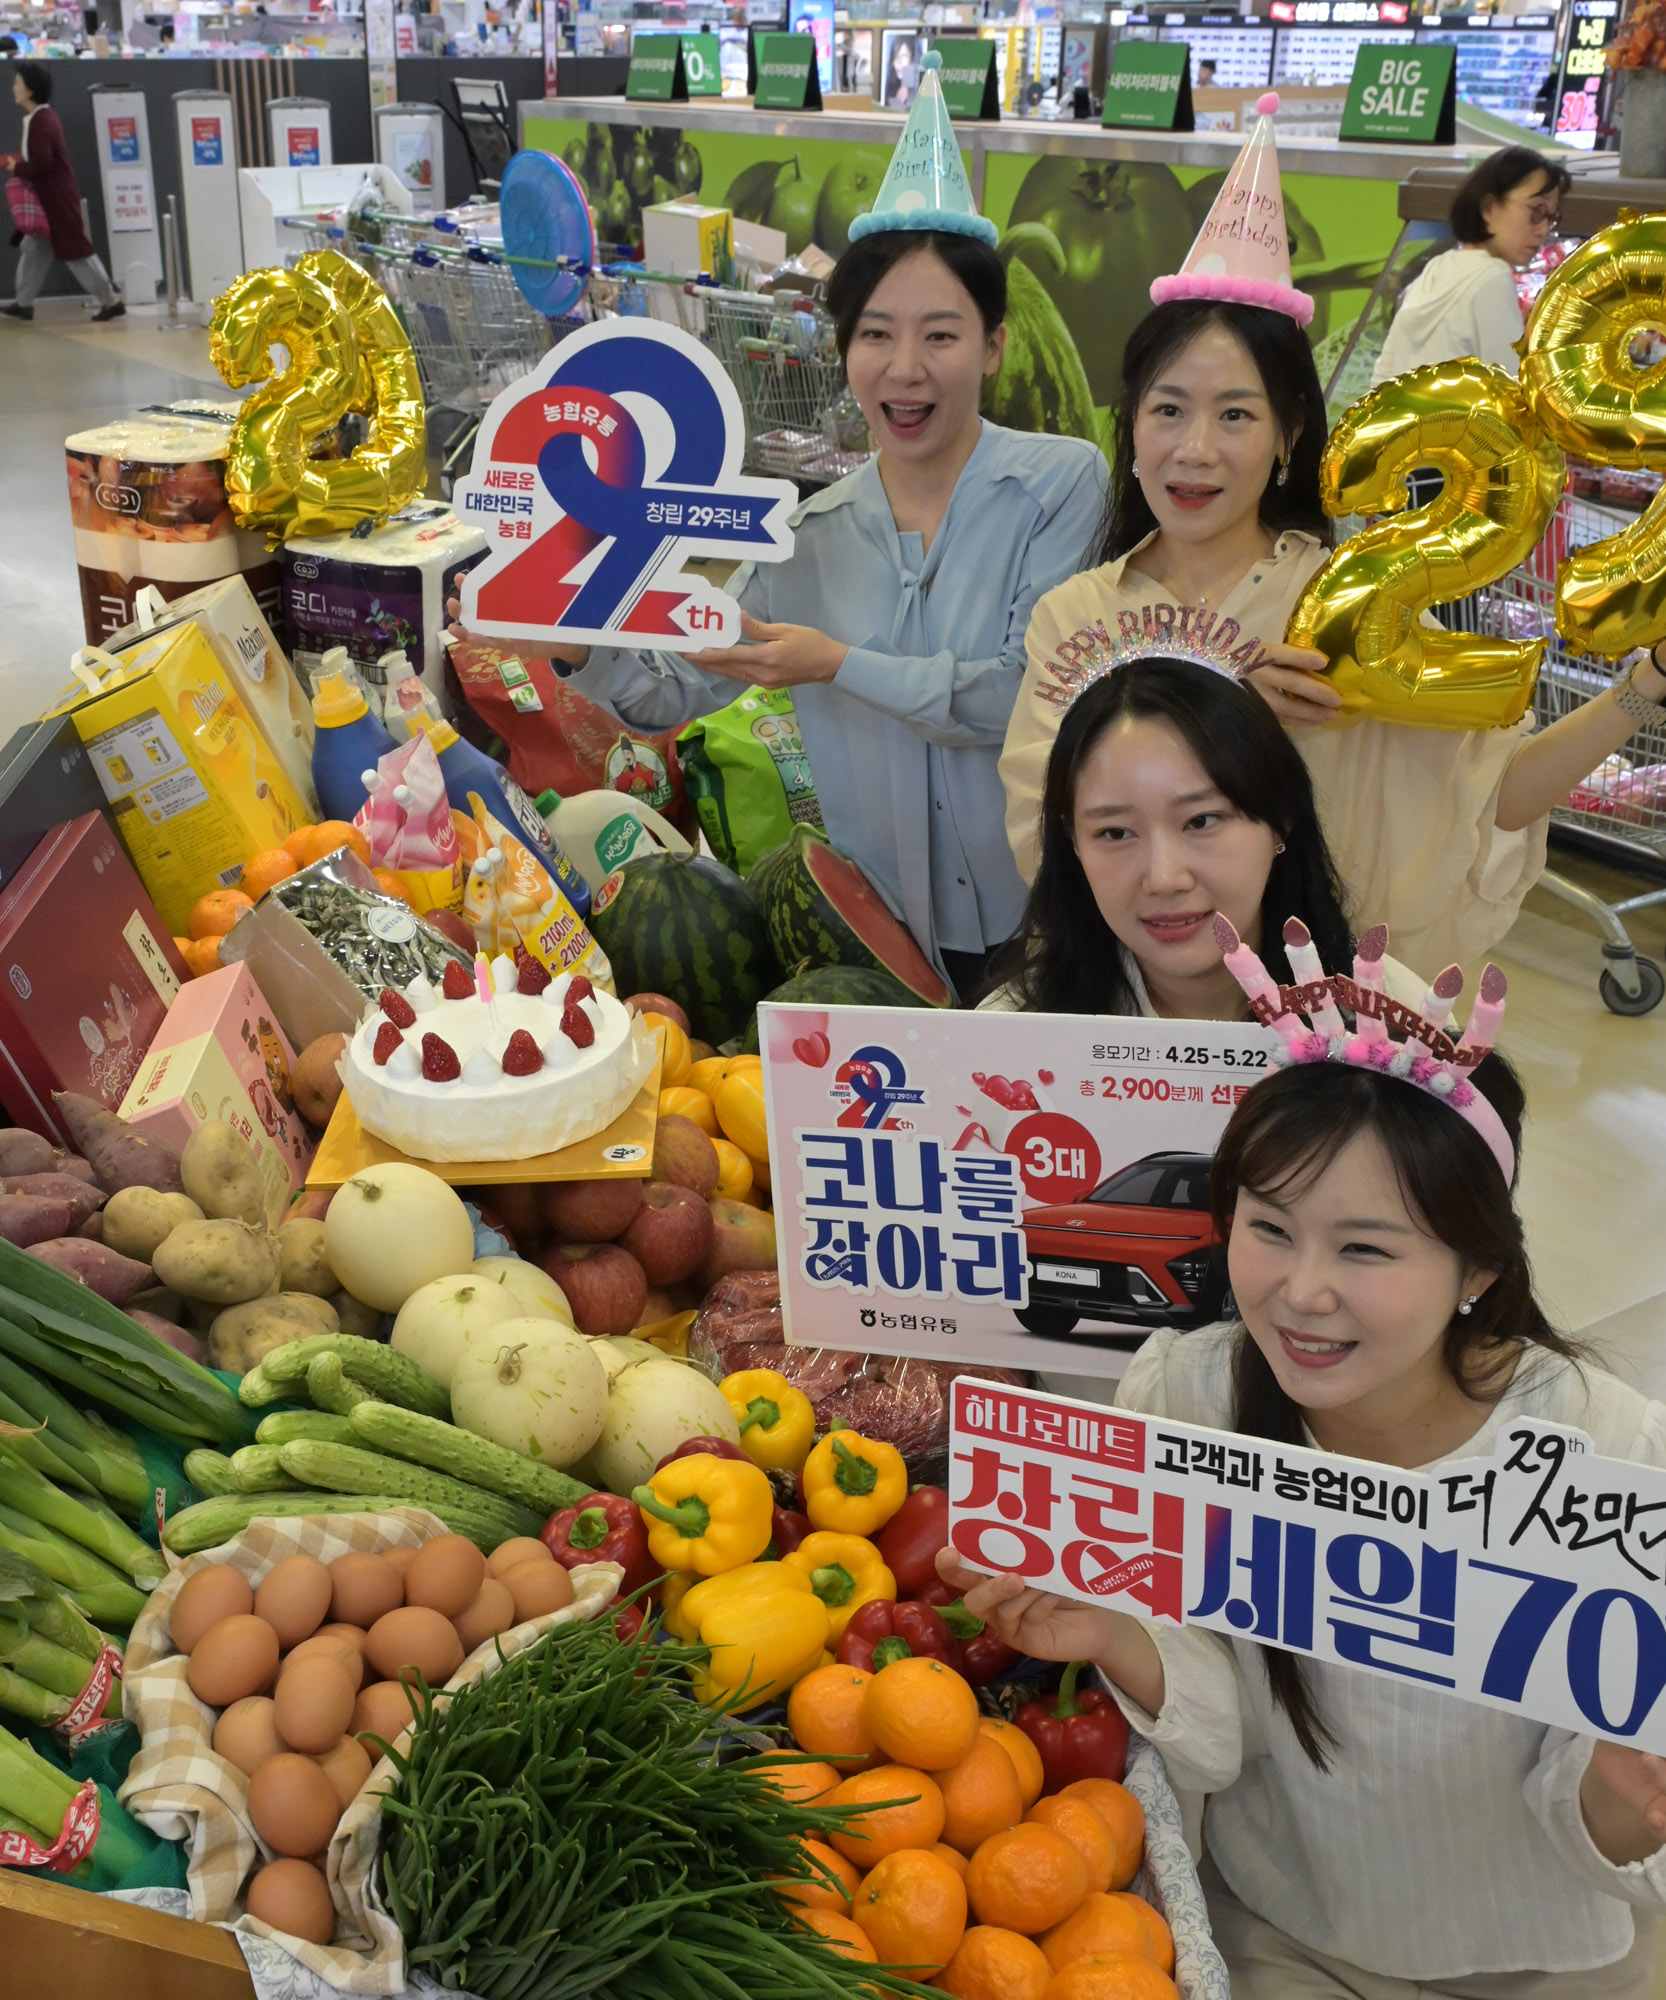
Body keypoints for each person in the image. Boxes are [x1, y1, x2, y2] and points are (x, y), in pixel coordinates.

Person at [941, 1001, 1666, 1997]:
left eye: (1365, 1249)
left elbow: (1610, 1778)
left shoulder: (1607, 1452)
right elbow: (1226, 1728)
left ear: (1479, 1268)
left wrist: (1627, 1797)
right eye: (1269, 1228)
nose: (1300, 1290)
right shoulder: (1184, 1396)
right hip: (1285, 1931)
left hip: (1544, 1953)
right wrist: (1116, 1631)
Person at [449, 54, 1105, 1002]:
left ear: (995, 345)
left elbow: (1017, 700)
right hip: (877, 939)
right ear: (845, 353)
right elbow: (679, 687)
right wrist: (581, 641)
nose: (905, 369)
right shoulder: (809, 532)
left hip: (1046, 930)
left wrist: (835, 663)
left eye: (942, 334)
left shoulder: (1058, 483)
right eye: (875, 335)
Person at [999, 103, 1666, 972]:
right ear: (1133, 428)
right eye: (1168, 410)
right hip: (1135, 1016)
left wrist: (1647, 685)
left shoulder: (1352, 604)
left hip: (1313, 1023)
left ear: (1286, 437)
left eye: (1236, 414)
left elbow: (1491, 796)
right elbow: (1044, 836)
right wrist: (1231, 723)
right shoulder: (1074, 615)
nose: (1194, 450)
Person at [980, 652, 1427, 1020]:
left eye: (1201, 821)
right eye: (1115, 832)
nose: (1164, 878)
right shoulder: (1010, 1037)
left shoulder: (1391, 1018)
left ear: (1281, 815)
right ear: (1073, 841)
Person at [1372, 146, 1570, 386]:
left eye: (1552, 218)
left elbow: (1383, 376)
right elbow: (1510, 388)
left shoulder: (1438, 266)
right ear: (1489, 208)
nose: (1543, 230)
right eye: (1536, 212)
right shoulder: (1492, 277)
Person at [2, 62, 122, 324]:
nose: (13, 88)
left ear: (30, 90)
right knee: (34, 247)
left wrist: (16, 167)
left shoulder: (41, 121)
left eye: (18, 83)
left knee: (76, 252)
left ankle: (111, 300)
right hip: (52, 198)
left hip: (54, 200)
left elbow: (42, 162)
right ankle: (24, 303)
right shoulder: (42, 118)